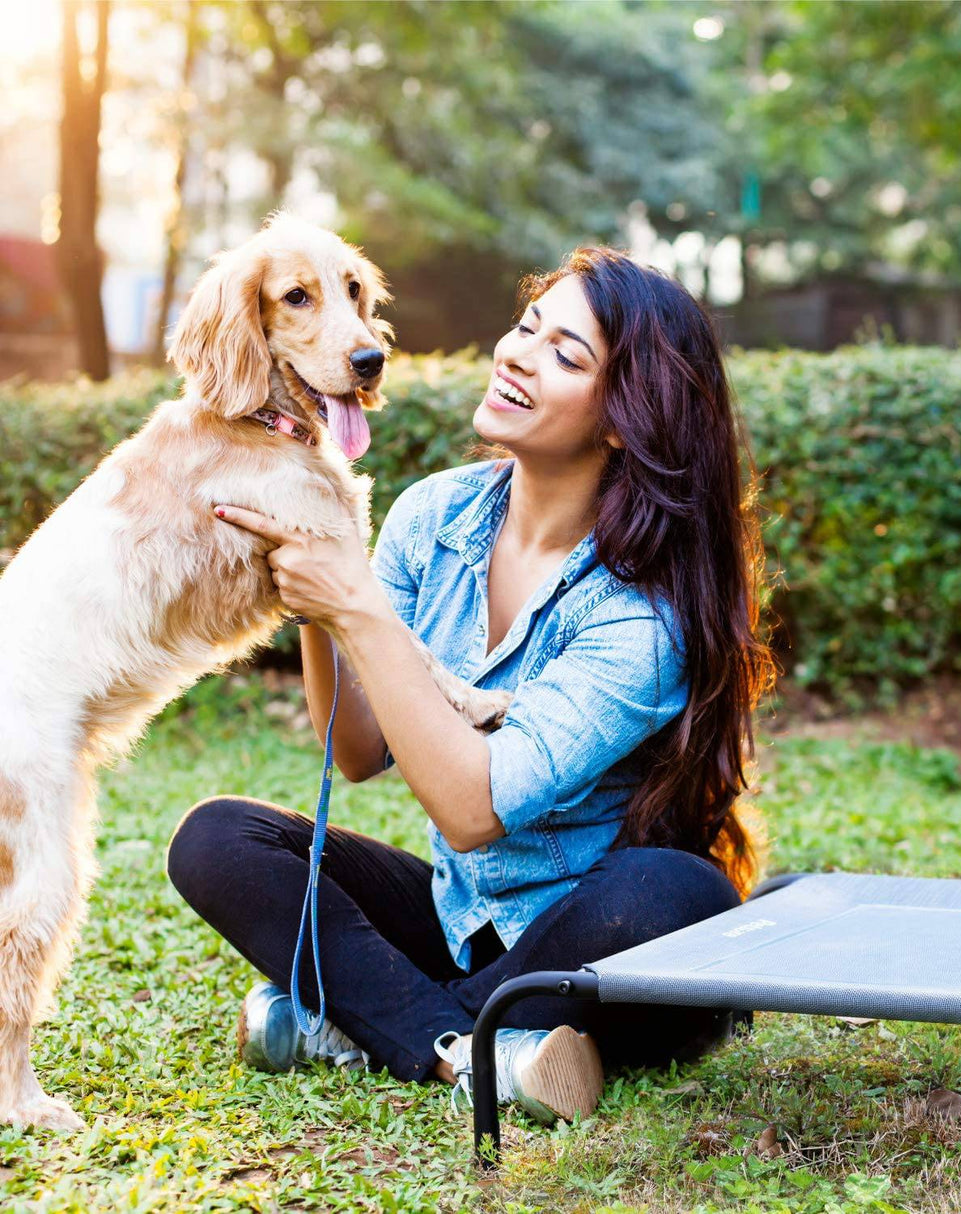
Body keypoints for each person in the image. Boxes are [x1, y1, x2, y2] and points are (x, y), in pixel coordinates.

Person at [165, 246, 775, 1125]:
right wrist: (313, 585)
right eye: (528, 327)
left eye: (566, 355)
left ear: (623, 420)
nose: (519, 354)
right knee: (219, 838)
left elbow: (473, 810)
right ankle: (476, 1048)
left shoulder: (642, 616)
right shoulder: (432, 515)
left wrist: (359, 606)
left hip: (592, 942)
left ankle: (376, 1026)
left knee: (679, 892)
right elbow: (357, 748)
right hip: (459, 920)